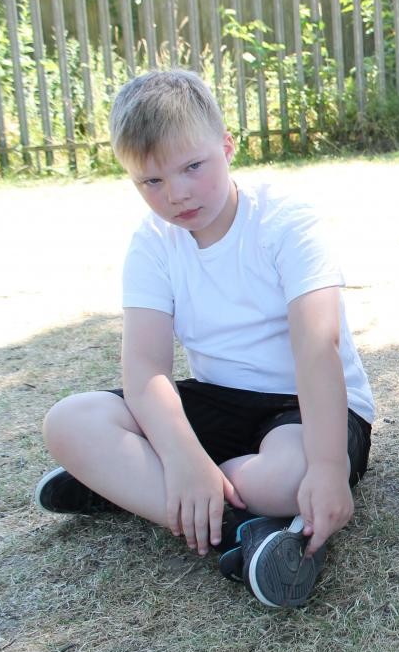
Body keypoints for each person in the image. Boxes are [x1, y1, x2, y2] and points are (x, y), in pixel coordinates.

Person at [34, 70, 375, 608]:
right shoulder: (153, 242)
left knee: (288, 479)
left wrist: (331, 470)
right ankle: (243, 533)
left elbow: (317, 347)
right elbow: (146, 368)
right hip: (220, 400)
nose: (177, 194)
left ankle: (130, 485)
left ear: (227, 147)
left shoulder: (286, 221)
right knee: (70, 421)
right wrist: (184, 460)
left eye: (193, 167)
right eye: (151, 181)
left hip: (309, 407)